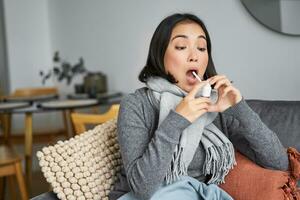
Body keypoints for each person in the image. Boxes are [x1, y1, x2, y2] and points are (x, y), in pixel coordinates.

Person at [109, 13, 289, 200]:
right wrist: (177, 120)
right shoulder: (136, 104)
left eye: (201, 48)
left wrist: (240, 108)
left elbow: (279, 162)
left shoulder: (215, 106)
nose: (194, 56)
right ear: (160, 53)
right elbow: (142, 188)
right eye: (181, 46)